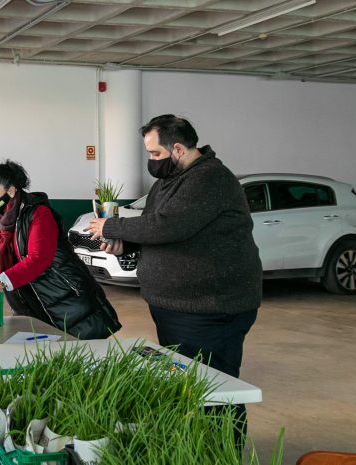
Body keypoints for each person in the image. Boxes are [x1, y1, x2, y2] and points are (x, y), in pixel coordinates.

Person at [86, 114, 262, 438]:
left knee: (216, 391)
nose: (152, 162)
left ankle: (223, 454)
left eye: (155, 154)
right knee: (186, 385)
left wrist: (110, 226)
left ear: (178, 149)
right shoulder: (167, 183)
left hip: (210, 309)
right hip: (175, 307)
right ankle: (196, 446)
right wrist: (123, 245)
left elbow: (169, 225)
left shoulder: (210, 178)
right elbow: (156, 230)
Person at [0, 160, 121, 339]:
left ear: (11, 191)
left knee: (74, 352)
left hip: (64, 298)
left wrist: (1, 281)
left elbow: (39, 258)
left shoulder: (38, 213)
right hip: (27, 301)